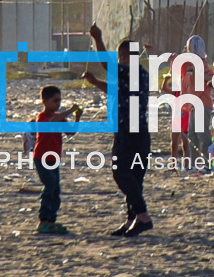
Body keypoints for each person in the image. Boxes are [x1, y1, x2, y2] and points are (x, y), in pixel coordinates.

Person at [83, 24, 154, 237]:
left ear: (123, 55)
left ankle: (143, 217)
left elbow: (106, 64)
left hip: (129, 132)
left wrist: (98, 38)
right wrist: (96, 83)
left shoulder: (131, 71)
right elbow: (115, 89)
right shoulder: (140, 73)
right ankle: (132, 220)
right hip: (140, 132)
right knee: (134, 178)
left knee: (121, 173)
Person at [33, 85, 83, 235]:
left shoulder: (59, 117)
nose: (58, 104)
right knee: (49, 188)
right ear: (44, 101)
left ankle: (51, 221)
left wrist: (77, 117)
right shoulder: (43, 117)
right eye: (55, 100)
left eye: (59, 100)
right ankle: (43, 222)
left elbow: (71, 131)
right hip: (42, 158)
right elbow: (51, 122)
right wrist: (69, 111)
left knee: (55, 190)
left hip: (54, 159)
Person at [180, 35, 214, 172]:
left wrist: (197, 72)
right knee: (192, 136)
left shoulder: (202, 64)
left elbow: (212, 79)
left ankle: (208, 165)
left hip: (203, 103)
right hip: (194, 105)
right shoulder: (189, 64)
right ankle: (195, 165)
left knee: (203, 136)